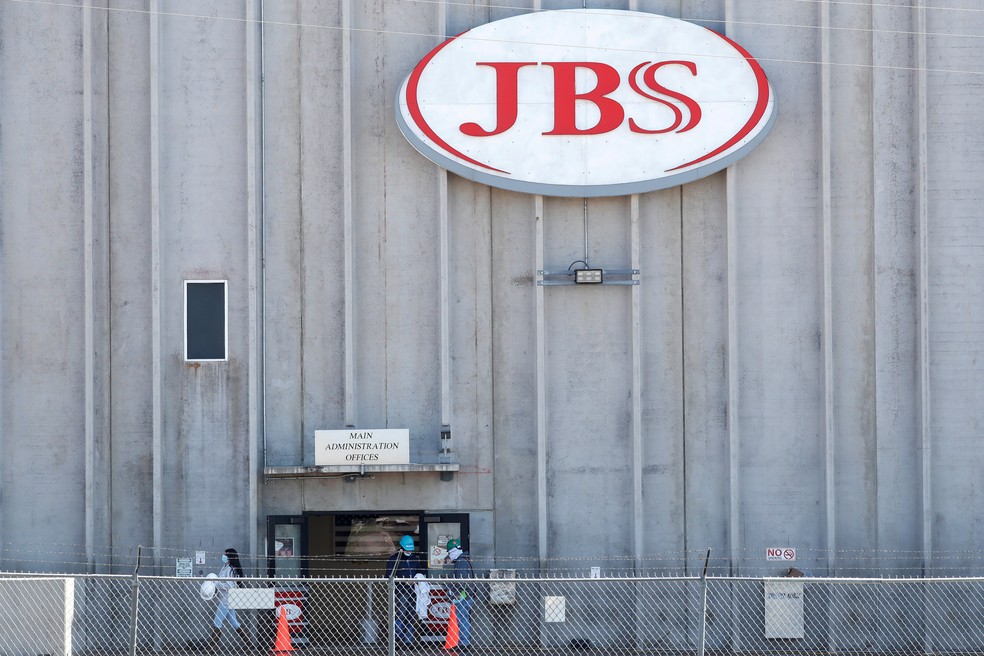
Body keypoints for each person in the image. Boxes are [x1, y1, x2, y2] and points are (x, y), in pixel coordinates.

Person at [385, 535, 421, 647]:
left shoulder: (414, 559)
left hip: (413, 590)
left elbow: (419, 571)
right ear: (401, 548)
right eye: (407, 550)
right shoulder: (394, 559)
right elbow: (388, 576)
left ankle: (408, 641)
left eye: (410, 550)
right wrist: (403, 581)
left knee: (411, 615)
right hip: (401, 590)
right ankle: (398, 639)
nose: (409, 552)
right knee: (400, 615)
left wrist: (416, 579)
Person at [211, 548, 251, 650]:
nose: (223, 556)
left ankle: (212, 648)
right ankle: (249, 644)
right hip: (225, 598)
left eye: (225, 555)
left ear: (230, 557)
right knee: (234, 622)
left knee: (217, 622)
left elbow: (229, 585)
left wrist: (215, 583)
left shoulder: (230, 569)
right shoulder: (225, 567)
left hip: (227, 599)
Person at [443, 539, 475, 651]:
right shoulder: (465, 559)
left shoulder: (460, 561)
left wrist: (457, 593)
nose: (449, 555)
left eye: (450, 552)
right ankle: (463, 642)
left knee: (462, 620)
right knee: (464, 619)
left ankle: (464, 644)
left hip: (463, 596)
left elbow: (461, 579)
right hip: (467, 594)